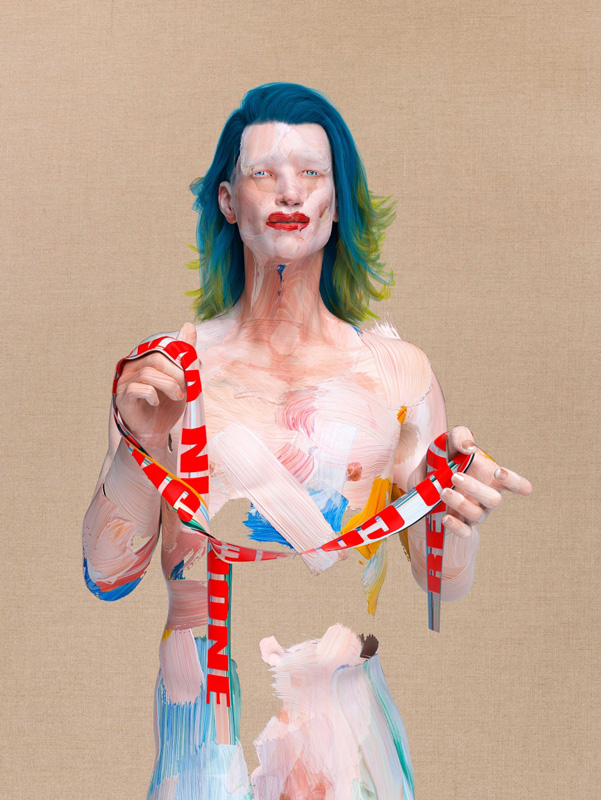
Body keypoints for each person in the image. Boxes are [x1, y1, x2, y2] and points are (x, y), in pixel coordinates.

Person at [82, 83, 532, 799]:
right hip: (204, 752)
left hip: (349, 753)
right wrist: (140, 442)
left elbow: (441, 583)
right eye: (263, 173)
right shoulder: (165, 373)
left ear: (336, 200)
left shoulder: (396, 374)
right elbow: (107, 575)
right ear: (229, 201)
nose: (288, 190)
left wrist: (456, 519)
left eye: (311, 173)